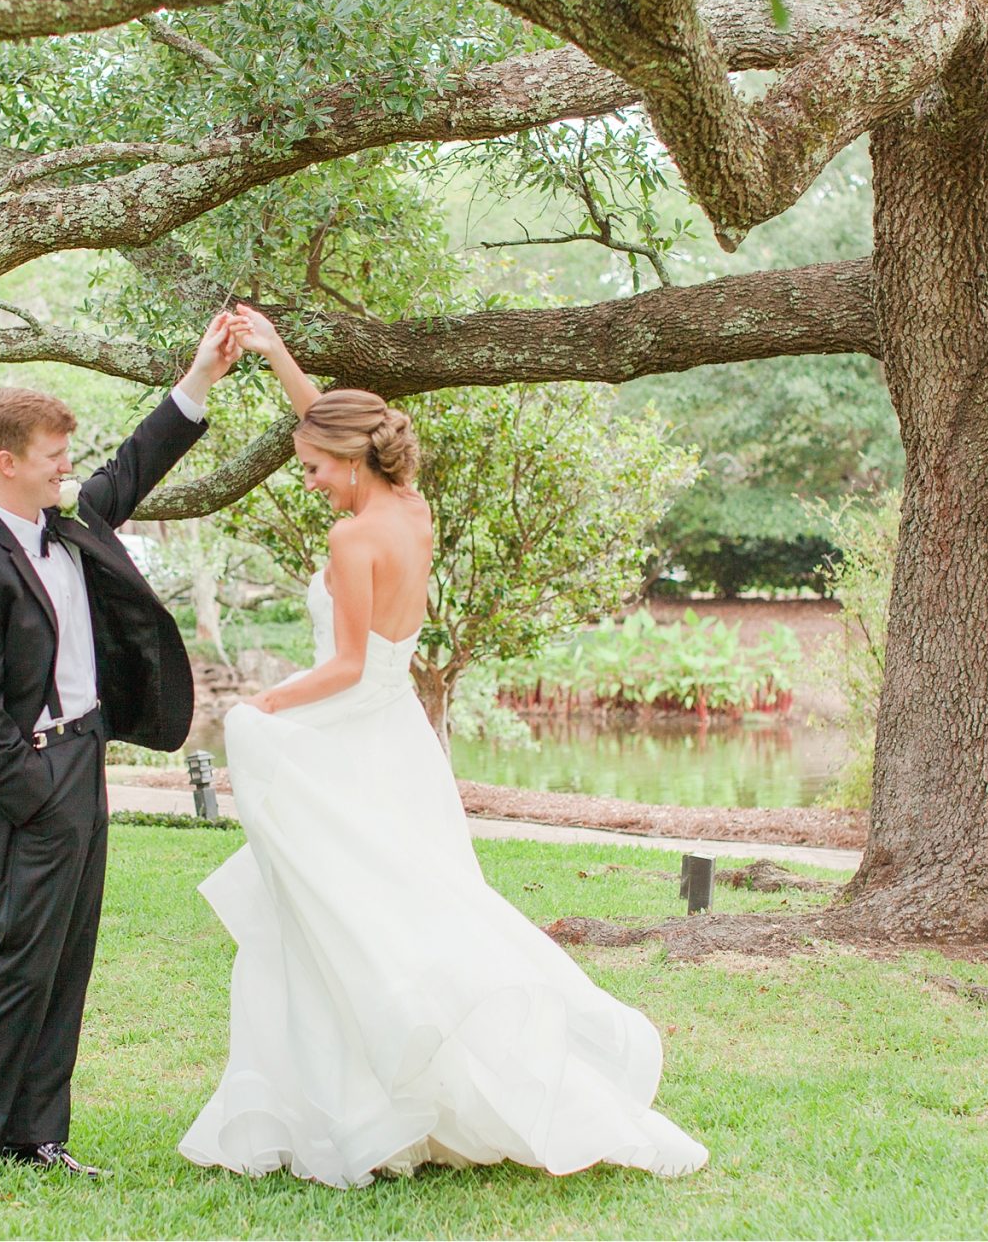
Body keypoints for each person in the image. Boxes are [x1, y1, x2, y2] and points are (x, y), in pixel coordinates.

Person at [179, 305, 709, 1188]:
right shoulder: (410, 508)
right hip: (401, 742)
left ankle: (378, 1099)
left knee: (351, 919)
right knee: (409, 911)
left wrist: (259, 703)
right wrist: (278, 360)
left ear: (350, 464)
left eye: (312, 468)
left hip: (351, 732)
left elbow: (345, 666)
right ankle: (402, 1092)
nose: (306, 479)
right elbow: (333, 426)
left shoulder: (353, 538)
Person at [0, 314, 242, 1180]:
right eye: (55, 452)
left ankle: (37, 1138)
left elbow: (138, 460)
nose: (70, 464)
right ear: (7, 463)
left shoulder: (71, 526)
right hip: (29, 784)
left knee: (68, 961)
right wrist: (33, 793)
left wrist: (200, 374)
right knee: (20, 964)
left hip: (84, 765)